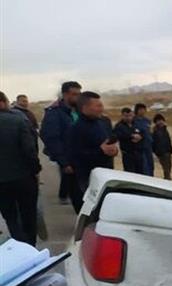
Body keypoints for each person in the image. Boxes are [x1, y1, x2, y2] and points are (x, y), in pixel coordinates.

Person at [0, 91, 40, 246]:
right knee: (28, 213)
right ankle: (31, 246)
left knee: (10, 216)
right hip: (23, 177)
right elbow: (29, 150)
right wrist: (35, 170)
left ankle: (19, 244)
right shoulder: (17, 121)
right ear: (3, 102)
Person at [41, 81, 82, 212]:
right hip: (70, 161)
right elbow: (52, 139)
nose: (77, 97)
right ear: (65, 94)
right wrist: (63, 162)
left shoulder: (80, 111)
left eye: (79, 94)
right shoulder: (55, 113)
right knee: (78, 197)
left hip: (84, 159)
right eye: (74, 94)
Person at [69, 92, 118, 198]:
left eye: (102, 105)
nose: (101, 109)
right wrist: (100, 151)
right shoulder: (76, 129)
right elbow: (75, 155)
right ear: (85, 107)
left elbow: (110, 141)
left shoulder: (103, 122)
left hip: (107, 173)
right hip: (89, 178)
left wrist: (114, 150)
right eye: (98, 106)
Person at [113, 107, 145, 174]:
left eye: (130, 115)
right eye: (126, 116)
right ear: (122, 116)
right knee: (130, 172)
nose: (128, 118)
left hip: (138, 152)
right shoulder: (119, 126)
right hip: (128, 153)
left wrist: (140, 137)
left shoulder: (136, 124)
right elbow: (118, 135)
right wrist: (131, 136)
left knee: (140, 172)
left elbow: (143, 132)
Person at [133, 103, 155, 176]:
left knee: (150, 165)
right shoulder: (134, 120)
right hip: (140, 147)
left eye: (143, 109)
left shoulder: (147, 120)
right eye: (140, 109)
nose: (142, 111)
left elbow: (150, 131)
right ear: (137, 110)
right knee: (143, 167)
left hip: (148, 145)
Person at [152, 114, 172, 180]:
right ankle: (168, 178)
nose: (160, 122)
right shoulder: (154, 131)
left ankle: (167, 178)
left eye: (161, 120)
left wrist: (170, 149)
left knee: (169, 166)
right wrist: (155, 151)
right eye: (158, 120)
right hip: (160, 151)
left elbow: (168, 140)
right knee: (165, 167)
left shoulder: (165, 129)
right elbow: (153, 142)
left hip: (167, 150)